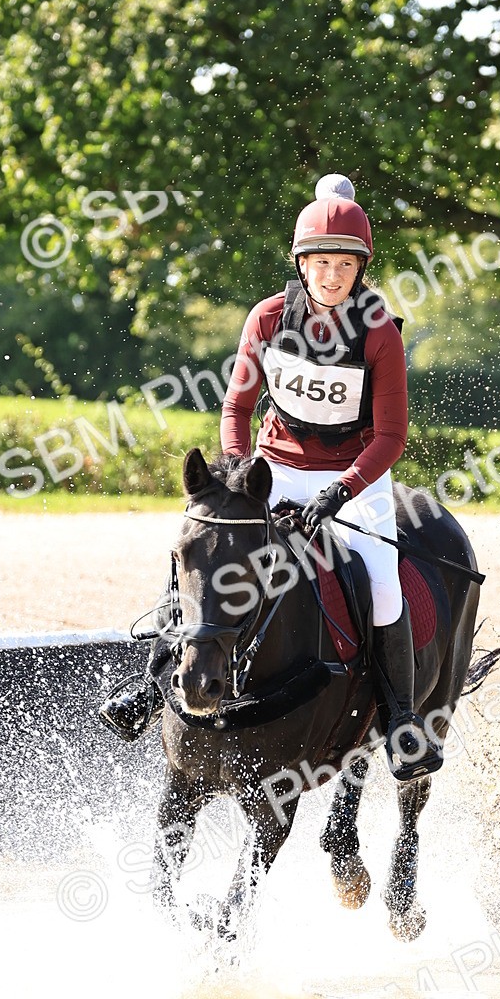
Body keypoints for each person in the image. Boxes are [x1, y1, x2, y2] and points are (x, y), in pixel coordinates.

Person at [100, 174, 442, 781]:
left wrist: (343, 490)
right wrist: (234, 474)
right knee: (201, 547)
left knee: (383, 585)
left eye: (344, 264)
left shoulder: (380, 333)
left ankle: (401, 722)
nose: (331, 276)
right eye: (320, 262)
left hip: (353, 478)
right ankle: (150, 685)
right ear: (301, 263)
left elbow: (391, 438)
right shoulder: (268, 318)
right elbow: (237, 408)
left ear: (360, 269)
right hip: (273, 470)